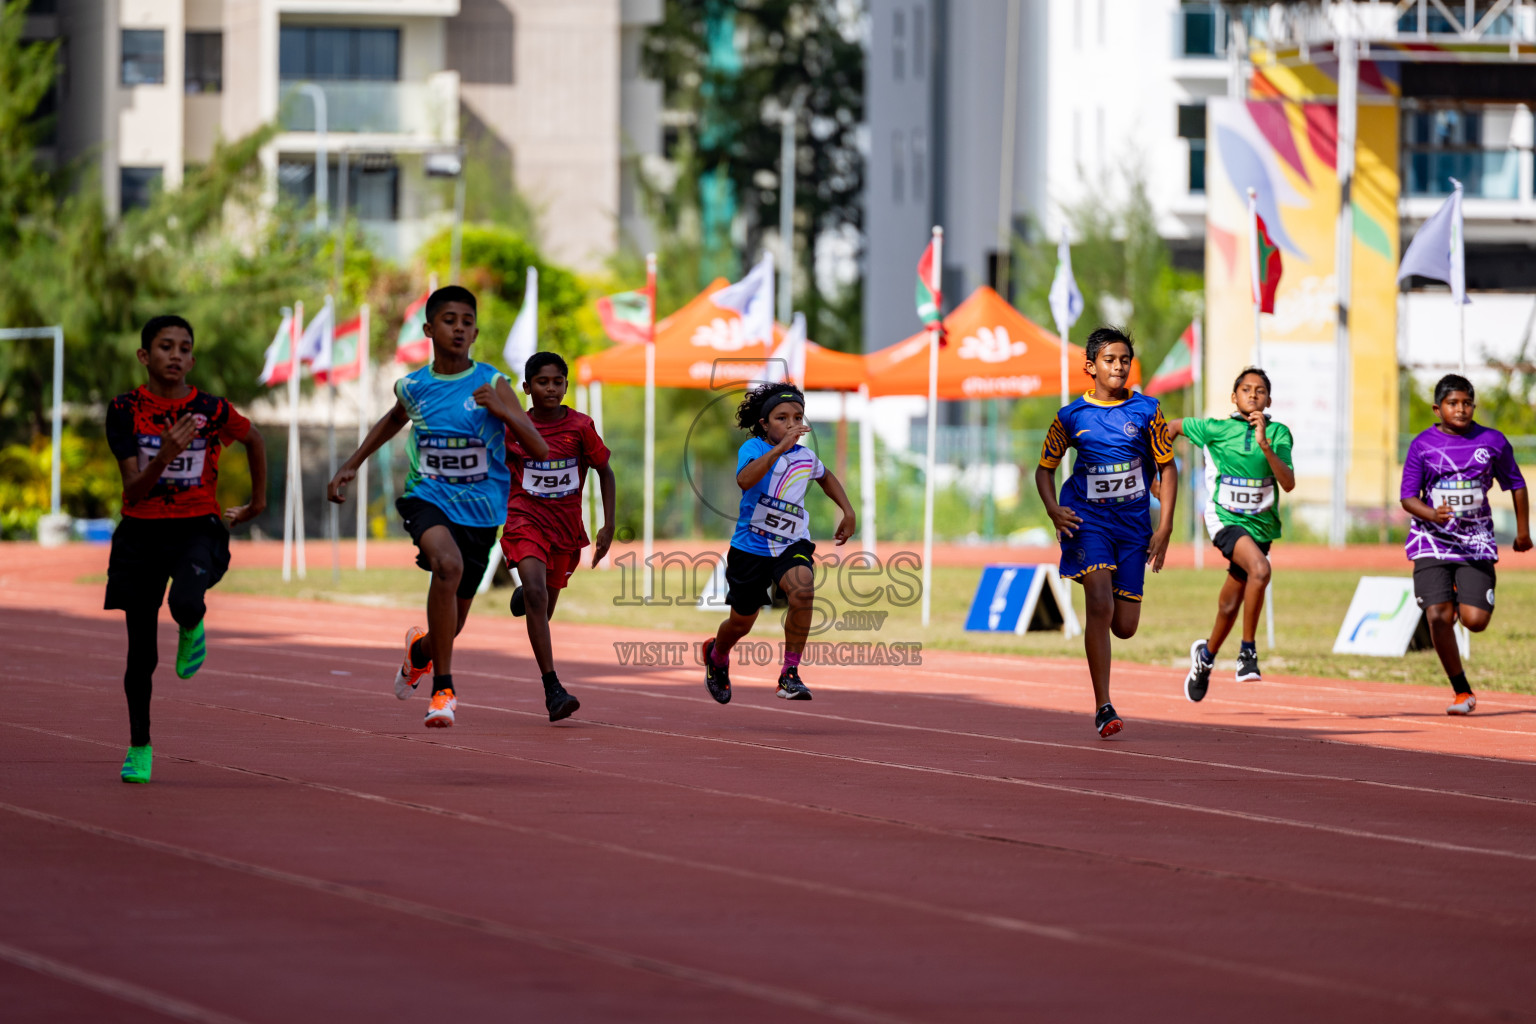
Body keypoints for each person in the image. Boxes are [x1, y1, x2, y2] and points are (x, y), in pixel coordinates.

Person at [328, 286, 549, 728]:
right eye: (450, 320)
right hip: (425, 498)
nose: (459, 328)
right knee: (445, 566)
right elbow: (394, 419)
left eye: (467, 321)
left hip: (481, 513)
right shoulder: (414, 386)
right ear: (430, 328)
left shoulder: (492, 382)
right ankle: (443, 690)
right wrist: (351, 465)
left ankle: (420, 653)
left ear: (476, 331)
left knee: (454, 623)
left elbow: (539, 448)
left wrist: (505, 413)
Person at [105, 315, 267, 783]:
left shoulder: (211, 410)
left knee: (186, 600)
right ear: (144, 357)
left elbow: (253, 438)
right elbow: (133, 491)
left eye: (183, 348)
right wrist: (164, 456)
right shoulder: (125, 410)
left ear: (192, 359)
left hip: (197, 526)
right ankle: (139, 747)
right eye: (164, 347)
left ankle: (192, 624)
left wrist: (257, 504)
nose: (174, 356)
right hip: (141, 533)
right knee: (141, 655)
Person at [1035, 327, 1178, 739]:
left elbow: (1167, 468)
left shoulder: (1148, 411)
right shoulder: (1070, 416)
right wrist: (1053, 510)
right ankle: (1104, 705)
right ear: (1090, 366)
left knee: (1125, 625)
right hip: (1086, 521)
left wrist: (1165, 525)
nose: (1118, 367)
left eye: (1124, 360)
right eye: (1110, 360)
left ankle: (1106, 677)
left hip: (1134, 525)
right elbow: (1044, 469)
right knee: (1099, 601)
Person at [702, 382, 856, 703]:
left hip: (791, 543)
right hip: (750, 548)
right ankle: (717, 654)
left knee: (803, 589)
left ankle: (790, 674)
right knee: (742, 622)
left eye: (796, 417)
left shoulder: (806, 456)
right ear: (764, 424)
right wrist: (778, 448)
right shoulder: (755, 450)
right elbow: (744, 480)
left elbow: (825, 476)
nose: (790, 425)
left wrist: (848, 510)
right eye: (781, 418)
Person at [1400, 374, 1529, 715]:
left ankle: (1459, 596)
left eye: (1467, 403)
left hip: (1476, 542)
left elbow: (1516, 484)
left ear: (1474, 405)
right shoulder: (1422, 445)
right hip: (1432, 540)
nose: (1461, 409)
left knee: (1475, 621)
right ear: (1437, 408)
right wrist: (1432, 513)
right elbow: (1407, 498)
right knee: (1438, 616)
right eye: (1453, 403)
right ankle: (1461, 692)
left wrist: (1522, 532)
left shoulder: (1493, 441)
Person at [503, 351, 616, 721]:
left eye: (557, 382)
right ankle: (553, 688)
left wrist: (608, 524)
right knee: (537, 594)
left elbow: (605, 471)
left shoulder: (581, 427)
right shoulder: (514, 427)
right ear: (526, 387)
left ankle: (527, 591)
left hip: (565, 529)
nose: (550, 388)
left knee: (543, 608)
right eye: (542, 382)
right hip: (524, 520)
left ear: (566, 386)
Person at [1170, 367, 1295, 701]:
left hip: (1261, 525)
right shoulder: (1215, 428)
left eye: (1260, 391)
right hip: (1224, 519)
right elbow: (1172, 427)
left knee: (1231, 602)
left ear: (1269, 399)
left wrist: (1265, 445)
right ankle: (1247, 652)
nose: (1252, 395)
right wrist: (1159, 469)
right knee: (1261, 570)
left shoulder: (1280, 434)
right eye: (1246, 390)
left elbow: (1288, 482)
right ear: (1234, 396)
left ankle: (1206, 657)